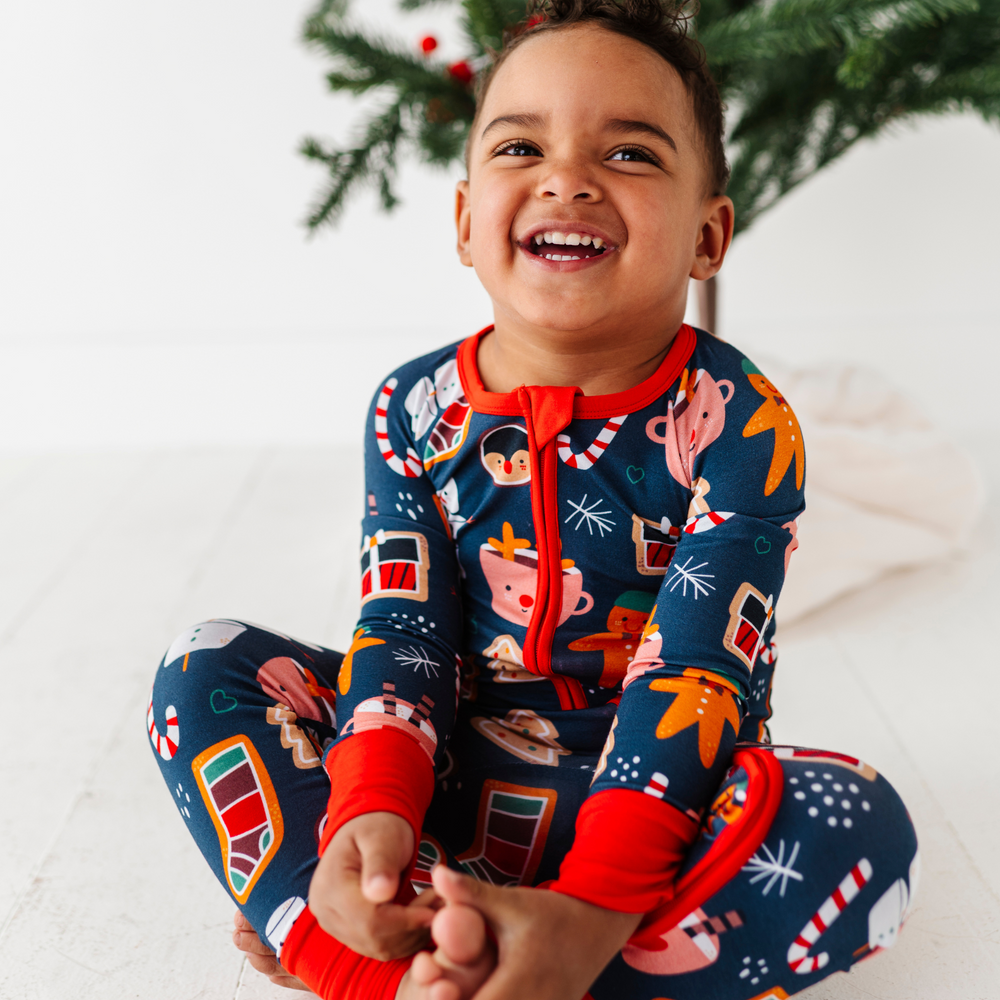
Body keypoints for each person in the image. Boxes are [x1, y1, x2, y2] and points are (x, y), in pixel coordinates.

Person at [147, 2, 919, 998]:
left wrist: (599, 897)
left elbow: (693, 668)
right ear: (467, 222)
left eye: (632, 154)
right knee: (205, 663)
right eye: (521, 145)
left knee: (862, 826)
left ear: (707, 234)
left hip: (657, 803)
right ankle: (372, 942)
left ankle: (543, 954)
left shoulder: (740, 423)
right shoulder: (413, 406)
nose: (568, 179)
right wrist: (369, 816)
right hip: (449, 785)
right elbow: (403, 623)